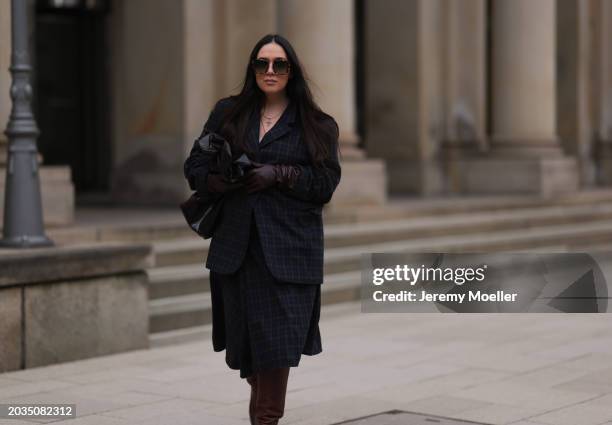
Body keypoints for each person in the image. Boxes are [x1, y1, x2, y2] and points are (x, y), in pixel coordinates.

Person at [183, 34, 342, 424]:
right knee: (247, 351)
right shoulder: (228, 113)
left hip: (289, 252)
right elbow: (194, 168)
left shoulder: (318, 125)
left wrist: (280, 174)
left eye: (279, 64)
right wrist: (220, 181)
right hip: (236, 250)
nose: (270, 71)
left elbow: (324, 185)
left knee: (276, 345)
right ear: (252, 69)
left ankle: (265, 418)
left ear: (292, 71)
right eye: (262, 63)